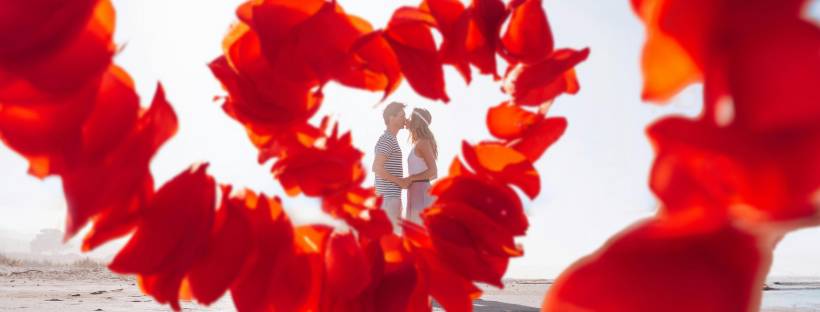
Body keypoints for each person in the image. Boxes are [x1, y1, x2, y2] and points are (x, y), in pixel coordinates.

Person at [372, 102, 409, 232]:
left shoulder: (391, 139)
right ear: (391, 119)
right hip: (388, 199)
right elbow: (376, 167)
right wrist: (400, 181)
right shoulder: (387, 140)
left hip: (390, 199)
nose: (405, 119)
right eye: (402, 116)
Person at [403, 107, 438, 225]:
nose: (407, 119)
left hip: (421, 190)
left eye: (410, 117)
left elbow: (433, 171)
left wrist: (411, 178)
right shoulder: (419, 143)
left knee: (419, 229)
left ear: (416, 122)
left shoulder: (423, 143)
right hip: (415, 190)